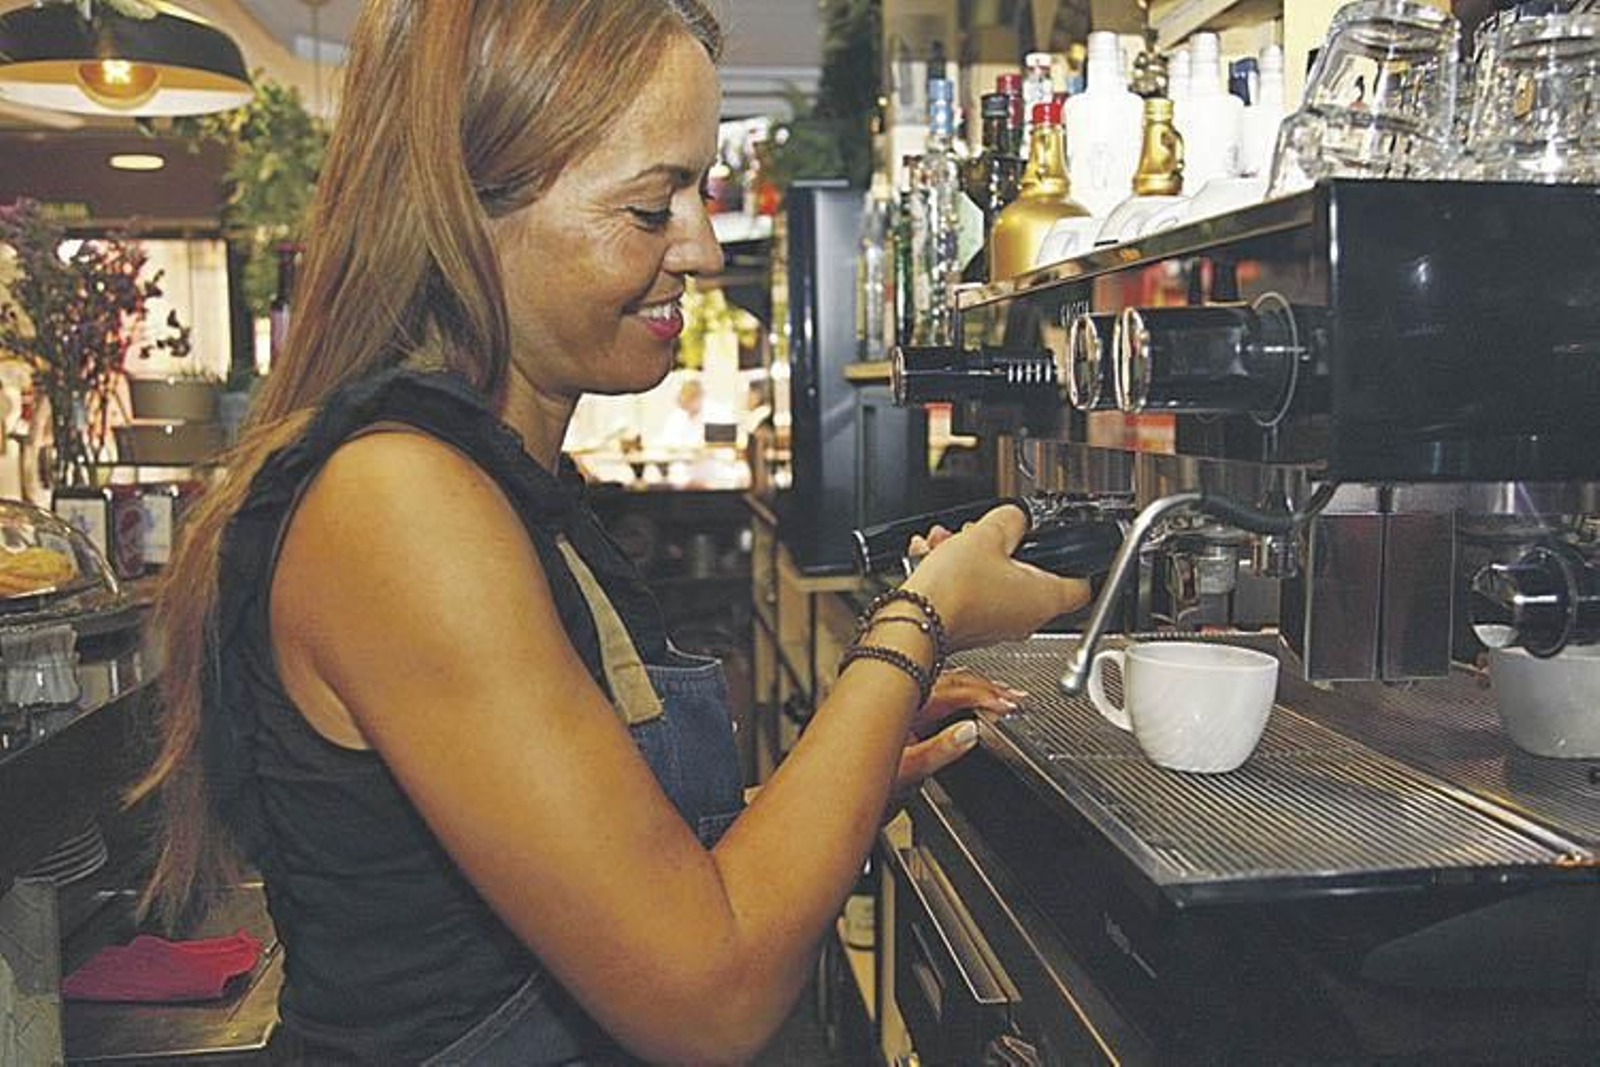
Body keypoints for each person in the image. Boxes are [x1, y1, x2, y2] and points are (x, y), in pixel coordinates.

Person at [131, 2, 1090, 1062]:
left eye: (701, 192)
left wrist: (847, 771)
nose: (703, 248)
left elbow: (603, 879)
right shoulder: (398, 503)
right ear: (469, 206)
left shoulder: (509, 482)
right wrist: (920, 619)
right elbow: (707, 996)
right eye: (649, 205)